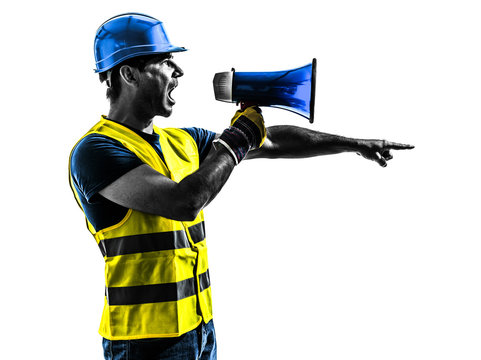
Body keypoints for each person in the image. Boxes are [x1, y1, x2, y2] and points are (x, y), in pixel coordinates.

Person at [69, 12, 414, 360]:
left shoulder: (182, 142)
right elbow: (185, 201)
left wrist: (355, 143)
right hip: (145, 343)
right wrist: (236, 140)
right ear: (129, 73)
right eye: (165, 61)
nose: (179, 71)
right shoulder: (97, 151)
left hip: (199, 328)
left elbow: (273, 143)